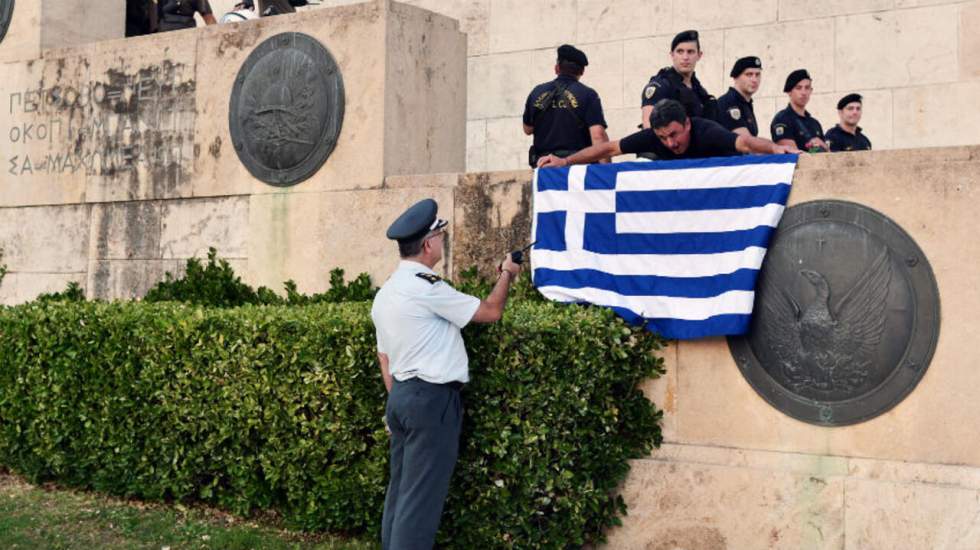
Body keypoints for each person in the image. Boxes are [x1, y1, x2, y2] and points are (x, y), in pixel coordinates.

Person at [372, 199, 520, 550]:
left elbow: (384, 357)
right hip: (430, 401)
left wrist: (396, 400)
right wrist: (507, 274)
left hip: (402, 396)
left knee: (401, 494)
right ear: (427, 245)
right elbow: (490, 311)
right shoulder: (426, 287)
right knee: (420, 502)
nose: (442, 241)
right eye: (440, 235)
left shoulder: (387, 291)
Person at [538, 99, 798, 168]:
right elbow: (609, 148)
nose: (670, 143)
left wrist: (775, 148)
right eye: (662, 138)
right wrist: (565, 161)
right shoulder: (655, 136)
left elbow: (744, 143)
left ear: (686, 124)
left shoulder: (706, 131)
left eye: (674, 134)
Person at [522, 44, 609, 168]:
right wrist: (606, 171)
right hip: (578, 169)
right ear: (582, 71)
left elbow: (527, 129)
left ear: (557, 68)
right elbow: (598, 135)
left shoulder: (537, 92)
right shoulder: (588, 94)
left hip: (545, 167)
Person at [640, 30, 717, 129]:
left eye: (690, 52)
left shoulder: (699, 90)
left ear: (699, 55)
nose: (685, 57)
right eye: (680, 51)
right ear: (672, 55)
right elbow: (649, 126)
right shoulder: (661, 85)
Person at [771, 69, 828, 152]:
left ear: (811, 91)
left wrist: (823, 146)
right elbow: (792, 155)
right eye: (798, 88)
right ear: (789, 92)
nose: (804, 92)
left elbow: (827, 156)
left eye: (807, 88)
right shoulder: (782, 119)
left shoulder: (815, 123)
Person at [716, 56, 762, 137]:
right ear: (736, 77)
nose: (754, 80)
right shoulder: (729, 102)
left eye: (757, 75)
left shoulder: (745, 103)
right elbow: (746, 141)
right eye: (749, 74)